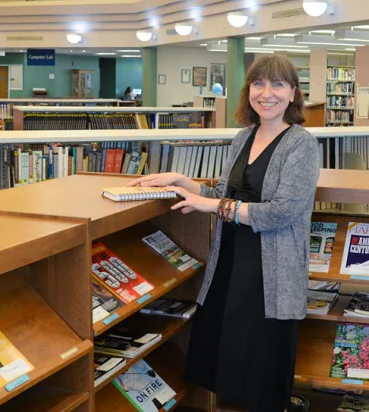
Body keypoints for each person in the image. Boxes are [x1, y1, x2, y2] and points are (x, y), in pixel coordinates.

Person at [129, 55, 320, 412]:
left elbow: (282, 212)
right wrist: (184, 183)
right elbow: (224, 193)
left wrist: (213, 207)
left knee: (260, 365)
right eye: (259, 84)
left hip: (271, 271)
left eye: (278, 84)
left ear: (293, 93)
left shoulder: (301, 145)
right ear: (248, 91)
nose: (267, 93)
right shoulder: (244, 136)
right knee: (229, 356)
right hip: (231, 260)